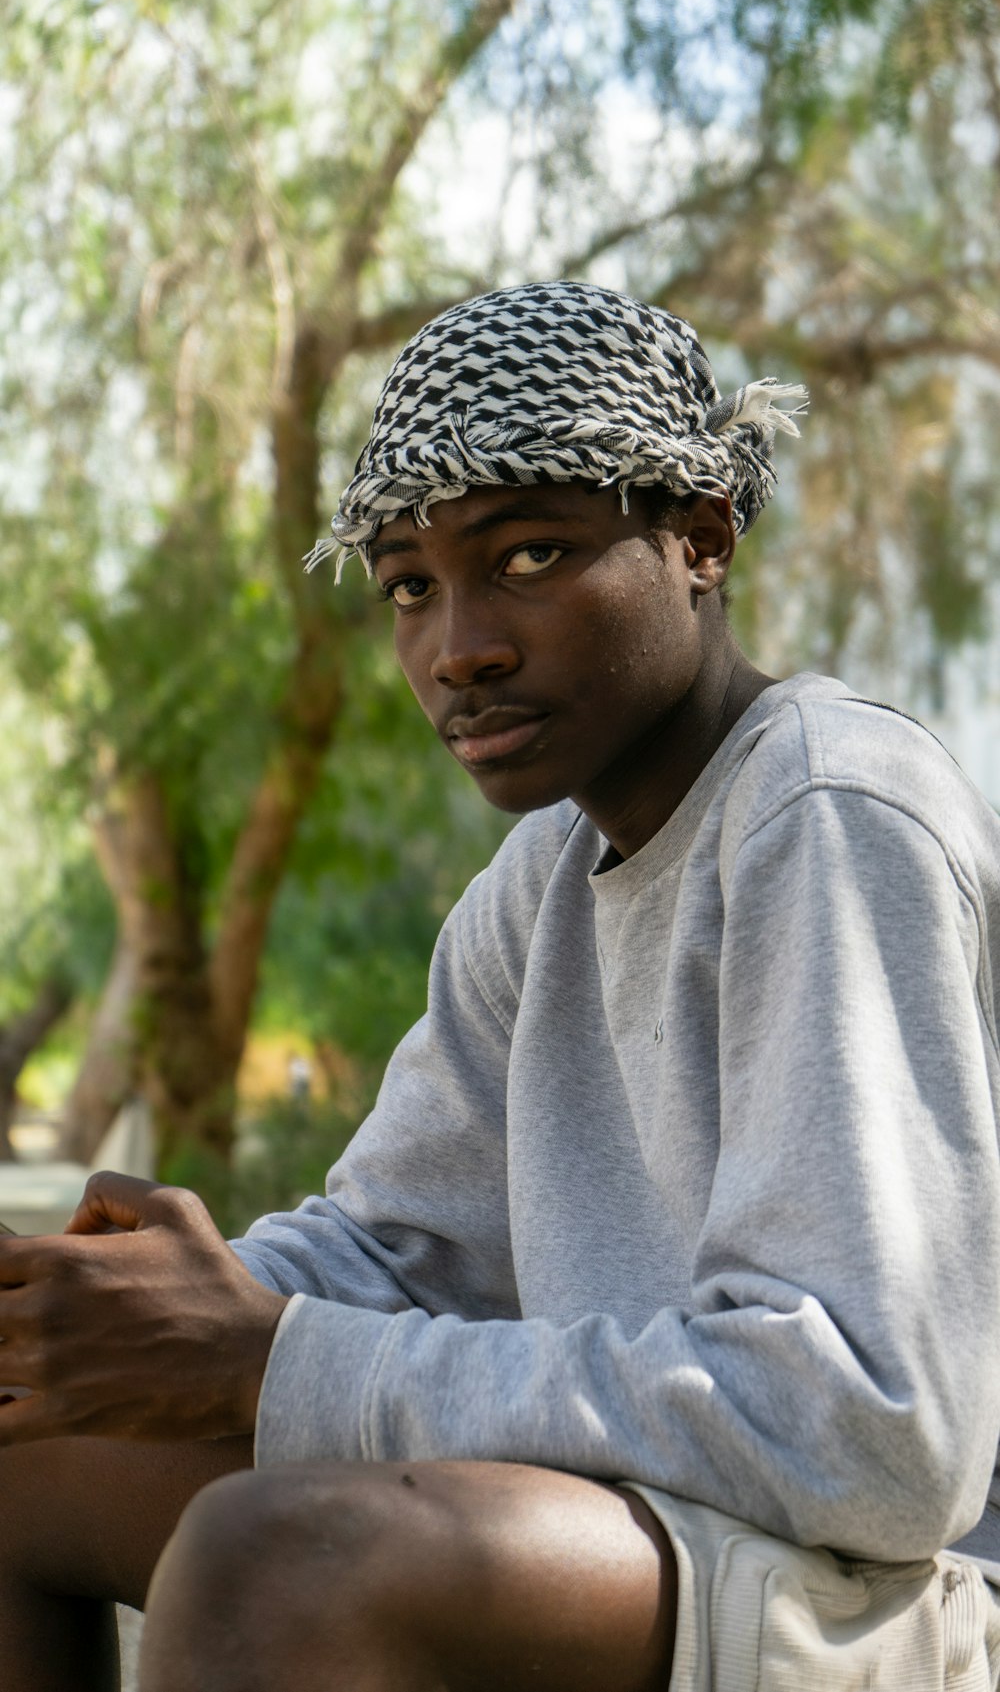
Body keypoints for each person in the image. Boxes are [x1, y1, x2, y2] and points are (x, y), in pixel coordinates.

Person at [2, 280, 1000, 1692]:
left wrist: (272, 1352)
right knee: (23, 1436)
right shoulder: (545, 878)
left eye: (529, 554)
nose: (457, 644)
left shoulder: (828, 805)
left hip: (886, 1595)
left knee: (276, 1558)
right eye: (412, 582)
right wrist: (101, 1305)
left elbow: (872, 1433)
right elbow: (392, 1252)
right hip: (671, 1536)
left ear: (700, 538)